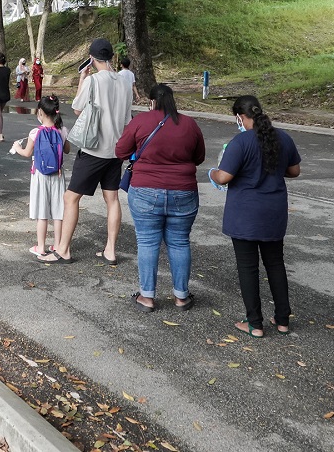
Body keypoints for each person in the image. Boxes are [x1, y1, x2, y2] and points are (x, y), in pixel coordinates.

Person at [209, 95, 301, 339]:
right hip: (274, 212)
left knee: (248, 268)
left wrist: (212, 173)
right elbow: (294, 171)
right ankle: (282, 320)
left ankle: (255, 323)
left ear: (240, 117)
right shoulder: (282, 137)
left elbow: (224, 177)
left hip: (245, 215)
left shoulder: (240, 142)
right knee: (275, 264)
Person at [40, 38, 132, 264]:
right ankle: (110, 250)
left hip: (94, 149)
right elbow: (127, 118)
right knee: (112, 199)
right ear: (112, 57)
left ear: (91, 58)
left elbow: (78, 108)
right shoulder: (124, 82)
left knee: (70, 197)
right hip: (116, 150)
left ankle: (63, 249)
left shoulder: (92, 81)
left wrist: (82, 79)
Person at [116, 84, 206, 312]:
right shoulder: (189, 124)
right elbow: (199, 157)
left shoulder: (141, 122)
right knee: (179, 241)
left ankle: (147, 297)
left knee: (147, 242)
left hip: (145, 190)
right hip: (183, 191)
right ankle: (181, 297)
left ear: (152, 102)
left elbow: (121, 151)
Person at [11, 95, 69, 258]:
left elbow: (27, 152)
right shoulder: (62, 130)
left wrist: (17, 147)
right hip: (58, 174)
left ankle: (41, 247)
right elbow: (67, 150)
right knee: (58, 211)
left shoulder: (35, 132)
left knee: (42, 211)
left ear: (41, 112)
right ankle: (57, 245)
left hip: (40, 174)